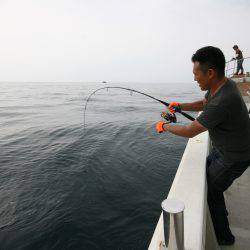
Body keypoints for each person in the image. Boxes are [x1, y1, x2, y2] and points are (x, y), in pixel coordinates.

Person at [156, 46, 250, 246]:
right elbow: (204, 103)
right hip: (225, 149)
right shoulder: (222, 86)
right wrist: (180, 106)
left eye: (196, 74)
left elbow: (191, 131)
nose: (195, 79)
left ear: (210, 72)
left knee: (212, 191)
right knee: (206, 174)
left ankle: (225, 237)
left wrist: (165, 126)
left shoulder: (223, 100)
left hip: (234, 157)